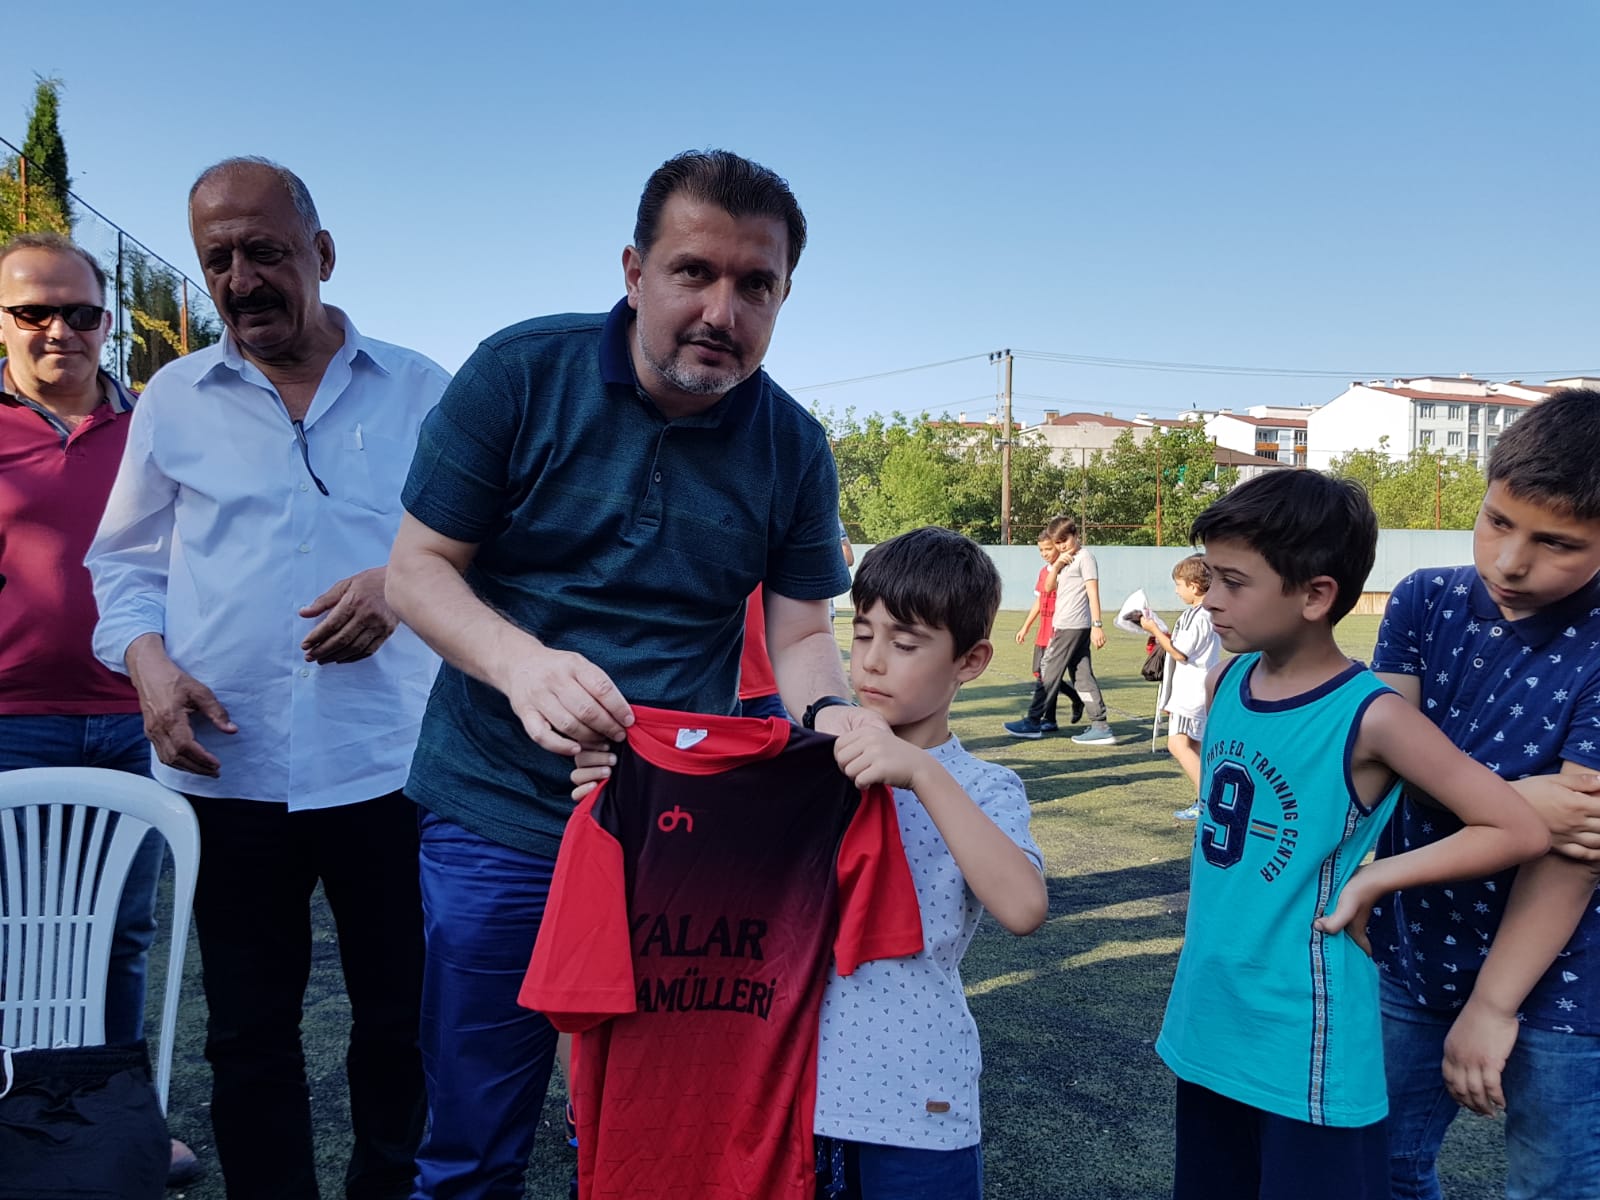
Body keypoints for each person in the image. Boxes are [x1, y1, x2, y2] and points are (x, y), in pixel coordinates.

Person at [384, 149, 874, 1199]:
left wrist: (835, 716)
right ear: (634, 271)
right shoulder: (519, 372)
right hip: (495, 807)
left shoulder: (793, 445)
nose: (722, 311)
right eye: (694, 271)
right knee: (474, 1131)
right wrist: (521, 667)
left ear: (784, 296)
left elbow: (798, 635)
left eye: (757, 285)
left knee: (651, 1127)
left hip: (676, 830)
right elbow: (416, 570)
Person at [87, 158, 448, 1200]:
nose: (240, 280)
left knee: (401, 1021)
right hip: (227, 765)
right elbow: (124, 566)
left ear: (322, 254)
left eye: (265, 251)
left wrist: (398, 584)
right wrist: (148, 663)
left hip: (389, 765)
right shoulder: (173, 399)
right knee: (246, 1034)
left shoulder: (422, 389)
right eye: (218, 259)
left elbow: (485, 546)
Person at [1156, 469, 1547, 1200]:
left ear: (1315, 596)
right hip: (1209, 1014)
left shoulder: (1374, 714)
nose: (1210, 598)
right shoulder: (1225, 681)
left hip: (1304, 1032)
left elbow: (1516, 827)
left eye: (1234, 582)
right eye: (1210, 575)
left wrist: (1376, 877)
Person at [1367, 387, 1600, 1200]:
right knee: (1378, 1166)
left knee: (1553, 1187)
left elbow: (1578, 846)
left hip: (1567, 971)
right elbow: (1378, 761)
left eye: (1557, 543)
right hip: (1416, 942)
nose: (1509, 562)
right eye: (1497, 521)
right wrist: (1516, 803)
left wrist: (1495, 1007)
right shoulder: (1422, 600)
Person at [0, 231, 198, 1186]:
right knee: (14, 931)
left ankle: (111, 1120)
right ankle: (17, 1121)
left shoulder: (155, 424)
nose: (58, 331)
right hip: (12, 719)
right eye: (32, 311)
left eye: (79, 312)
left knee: (117, 932)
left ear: (106, 322)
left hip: (135, 716)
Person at [814, 526, 1048, 1198]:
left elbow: (1023, 908)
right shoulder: (809, 766)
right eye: (862, 633)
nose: (872, 661)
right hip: (791, 1095)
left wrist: (921, 772)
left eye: (905, 643)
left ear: (969, 661)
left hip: (918, 1102)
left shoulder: (983, 786)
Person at [1004, 516, 1108, 742]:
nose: (1062, 546)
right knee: (1082, 677)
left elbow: (1093, 592)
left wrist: (1097, 625)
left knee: (1047, 672)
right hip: (1068, 625)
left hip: (1071, 626)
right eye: (1058, 543)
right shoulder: (1064, 561)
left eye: (1065, 541)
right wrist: (1058, 564)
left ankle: (1033, 722)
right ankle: (1100, 726)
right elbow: (1048, 587)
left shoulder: (1085, 558)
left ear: (1076, 535)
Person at [1139, 554, 1220, 820]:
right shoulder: (1197, 613)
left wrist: (1154, 629)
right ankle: (1205, 799)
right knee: (1194, 746)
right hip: (1191, 690)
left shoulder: (1201, 615)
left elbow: (1180, 652)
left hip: (1192, 692)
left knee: (1177, 744)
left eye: (1179, 585)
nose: (1176, 591)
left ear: (1194, 586)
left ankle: (1209, 801)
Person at [1012, 526, 1081, 730]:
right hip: (1043, 631)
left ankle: (1048, 719)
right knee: (1039, 672)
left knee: (1047, 675)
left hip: (1058, 630)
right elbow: (1039, 600)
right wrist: (1025, 627)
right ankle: (1073, 698)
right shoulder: (1044, 572)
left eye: (1048, 549)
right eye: (1041, 550)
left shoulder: (1066, 570)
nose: (1044, 553)